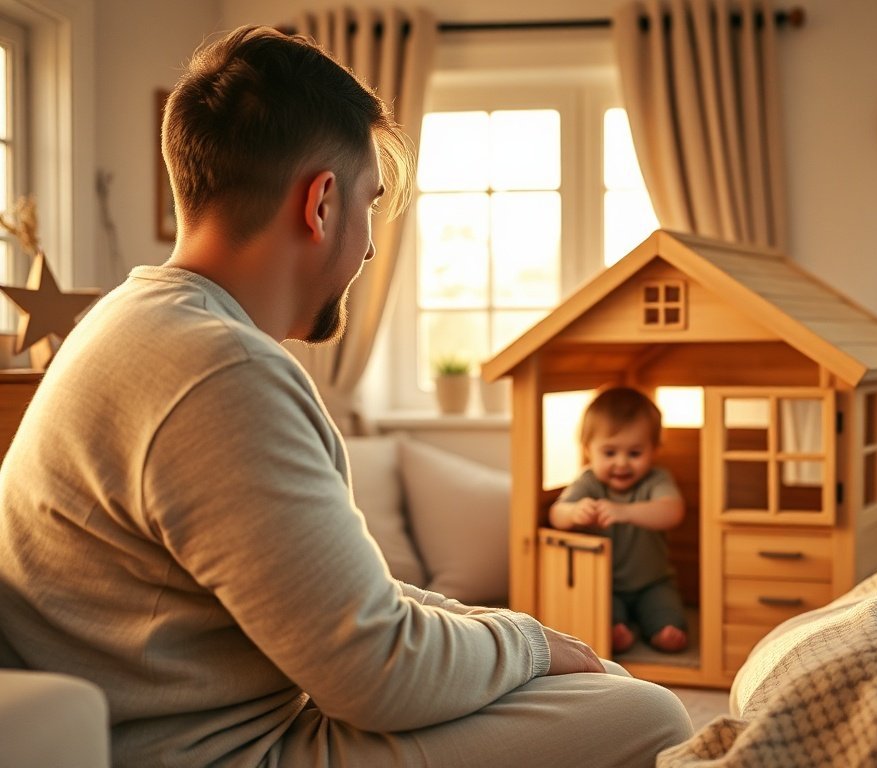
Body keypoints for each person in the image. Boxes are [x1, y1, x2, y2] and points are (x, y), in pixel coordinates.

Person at [0, 26, 693, 768]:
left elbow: (345, 596)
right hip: (226, 751)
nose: (368, 247)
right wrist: (528, 643)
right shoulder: (218, 371)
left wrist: (516, 634)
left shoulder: (129, 319)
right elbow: (380, 674)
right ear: (322, 203)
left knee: (586, 678)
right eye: (372, 202)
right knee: (646, 712)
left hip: (211, 719)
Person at [551, 386, 689, 654]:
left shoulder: (656, 480)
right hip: (605, 584)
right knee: (600, 614)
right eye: (610, 453)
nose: (622, 463)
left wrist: (626, 512)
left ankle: (661, 631)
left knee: (667, 613)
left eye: (635, 453)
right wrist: (573, 512)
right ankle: (618, 630)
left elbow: (673, 511)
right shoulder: (588, 482)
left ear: (655, 449)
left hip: (653, 581)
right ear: (588, 449)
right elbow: (557, 513)